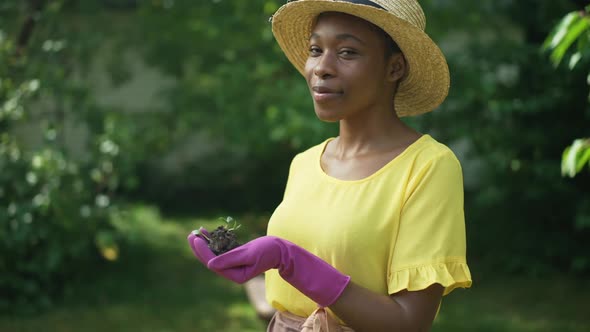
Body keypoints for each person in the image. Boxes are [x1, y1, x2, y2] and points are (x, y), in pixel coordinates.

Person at [187, 0, 472, 331]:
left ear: (394, 68)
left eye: (347, 52)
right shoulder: (304, 164)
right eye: (315, 49)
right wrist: (251, 260)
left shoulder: (428, 166)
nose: (321, 67)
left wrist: (289, 259)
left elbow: (408, 322)